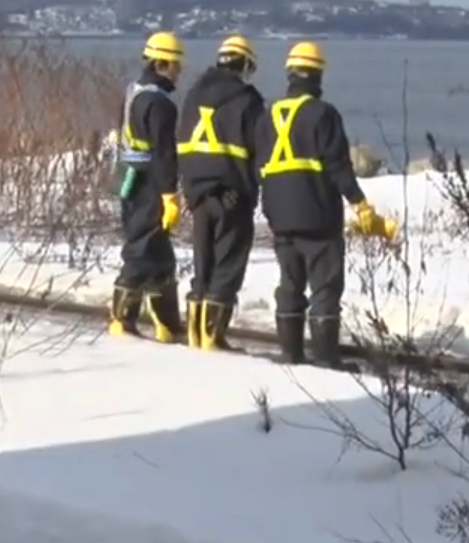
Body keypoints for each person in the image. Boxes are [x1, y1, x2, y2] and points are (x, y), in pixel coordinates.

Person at [256, 41, 394, 368]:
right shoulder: (323, 114)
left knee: (290, 284)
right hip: (317, 214)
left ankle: (290, 353)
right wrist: (360, 204)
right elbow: (338, 167)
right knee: (325, 287)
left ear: (290, 73)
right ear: (318, 75)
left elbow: (257, 165)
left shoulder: (267, 116)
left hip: (279, 214)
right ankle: (325, 358)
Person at [174, 35, 266, 352]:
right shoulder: (248, 100)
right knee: (228, 265)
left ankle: (195, 334)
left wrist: (191, 188)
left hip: (198, 195)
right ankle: (212, 337)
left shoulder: (192, 96)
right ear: (245, 65)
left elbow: (182, 143)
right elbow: (259, 148)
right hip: (233, 194)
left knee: (203, 264)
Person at [110, 30, 185, 341]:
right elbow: (164, 153)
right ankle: (122, 319)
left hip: (128, 178)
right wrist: (169, 194)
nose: (179, 72)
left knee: (160, 255)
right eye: (176, 65)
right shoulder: (160, 103)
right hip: (149, 183)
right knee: (142, 250)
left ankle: (167, 324)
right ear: (162, 63)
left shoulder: (134, 92)